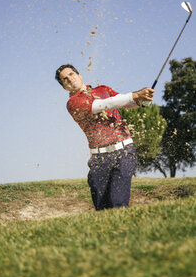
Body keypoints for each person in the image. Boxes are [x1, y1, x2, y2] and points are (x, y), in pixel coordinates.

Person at [55, 64, 154, 211]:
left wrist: (144, 99)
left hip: (124, 152)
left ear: (79, 75)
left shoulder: (103, 89)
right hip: (99, 158)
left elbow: (129, 103)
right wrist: (136, 94)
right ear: (64, 87)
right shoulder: (73, 103)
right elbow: (104, 105)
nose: (70, 79)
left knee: (117, 202)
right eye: (65, 79)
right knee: (102, 207)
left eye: (71, 74)